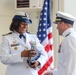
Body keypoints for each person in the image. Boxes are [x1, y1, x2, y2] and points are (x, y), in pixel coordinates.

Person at [44, 11, 76, 75]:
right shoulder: (69, 37)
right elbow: (65, 66)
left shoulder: (70, 39)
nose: (57, 27)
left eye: (57, 24)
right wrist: (52, 72)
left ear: (62, 24)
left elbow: (71, 67)